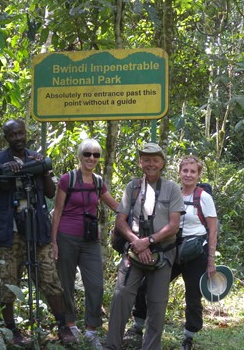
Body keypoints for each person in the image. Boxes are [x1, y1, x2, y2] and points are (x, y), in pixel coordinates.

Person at [0, 119, 71, 346]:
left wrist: (43, 169)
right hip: (8, 233)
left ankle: (63, 326)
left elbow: (50, 193)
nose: (18, 138)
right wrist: (5, 175)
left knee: (50, 278)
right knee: (7, 282)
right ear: (6, 138)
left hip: (37, 230)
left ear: (25, 133)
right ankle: (12, 332)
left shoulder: (35, 158)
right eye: (12, 135)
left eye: (21, 133)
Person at [123, 155, 218, 350]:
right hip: (171, 249)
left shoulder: (204, 197)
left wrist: (211, 261)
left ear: (199, 174)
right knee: (146, 287)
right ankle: (137, 326)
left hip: (195, 253)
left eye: (193, 171)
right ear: (179, 172)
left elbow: (213, 230)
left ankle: (189, 337)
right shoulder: (171, 192)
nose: (188, 175)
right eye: (185, 171)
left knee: (193, 296)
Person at [104, 142, 185, 350]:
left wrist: (148, 242)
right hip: (134, 252)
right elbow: (120, 221)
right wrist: (136, 242)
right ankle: (112, 345)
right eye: (146, 159)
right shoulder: (132, 187)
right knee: (121, 296)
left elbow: (174, 225)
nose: (151, 164)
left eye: (155, 159)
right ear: (141, 162)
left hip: (162, 254)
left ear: (162, 163)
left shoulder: (172, 188)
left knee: (157, 304)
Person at [51, 138, 118, 350]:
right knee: (66, 283)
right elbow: (58, 211)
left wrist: (135, 212)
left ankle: (91, 330)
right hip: (66, 237)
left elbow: (115, 205)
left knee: (96, 284)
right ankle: (70, 325)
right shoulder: (67, 179)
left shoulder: (98, 182)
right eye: (87, 154)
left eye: (96, 155)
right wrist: (53, 242)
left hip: (90, 241)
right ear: (80, 156)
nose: (91, 158)